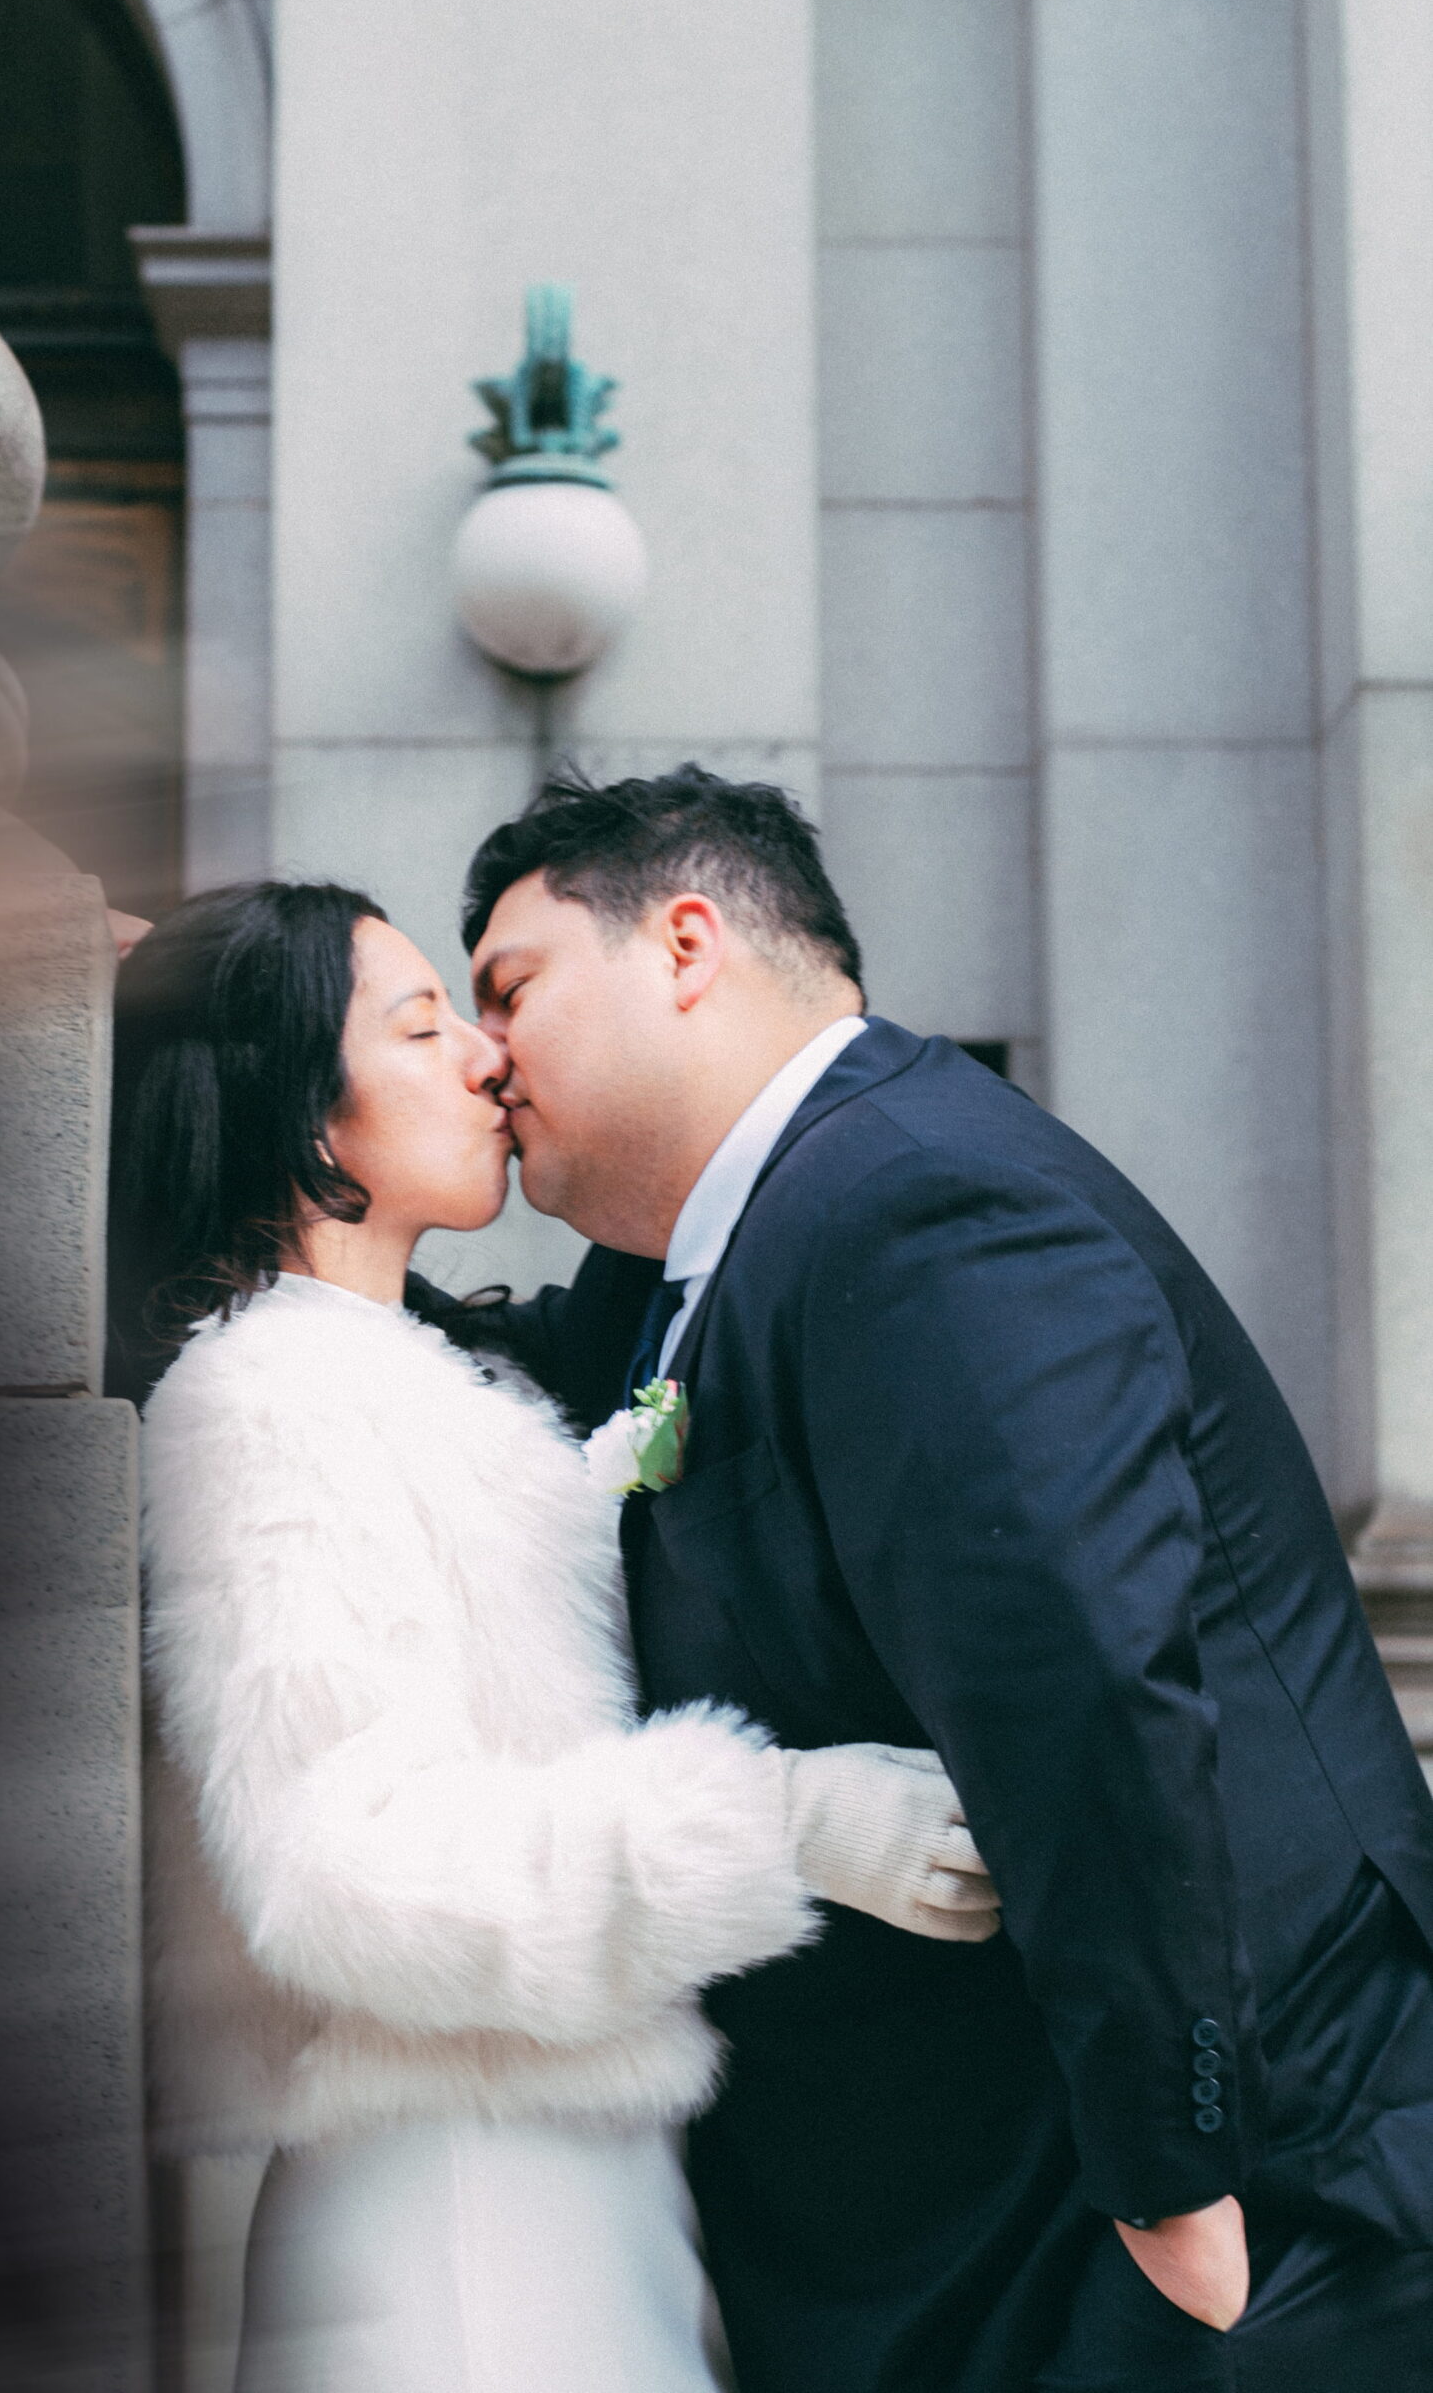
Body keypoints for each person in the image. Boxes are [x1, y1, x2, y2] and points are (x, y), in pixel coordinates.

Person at [460, 763, 1433, 2393]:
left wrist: (1173, 2174)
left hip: (1214, 2217)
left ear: (686, 944)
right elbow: (473, 1358)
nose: (486, 1056)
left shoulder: (914, 1195)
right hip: (977, 2215)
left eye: (511, 987)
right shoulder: (693, 1259)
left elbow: (1088, 1678)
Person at [106, 878, 999, 2393]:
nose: (487, 1057)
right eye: (422, 1027)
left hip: (571, 2185)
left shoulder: (407, 1376)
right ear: (307, 1122)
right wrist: (788, 1824)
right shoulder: (269, 1401)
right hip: (459, 2213)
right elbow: (350, 1873)